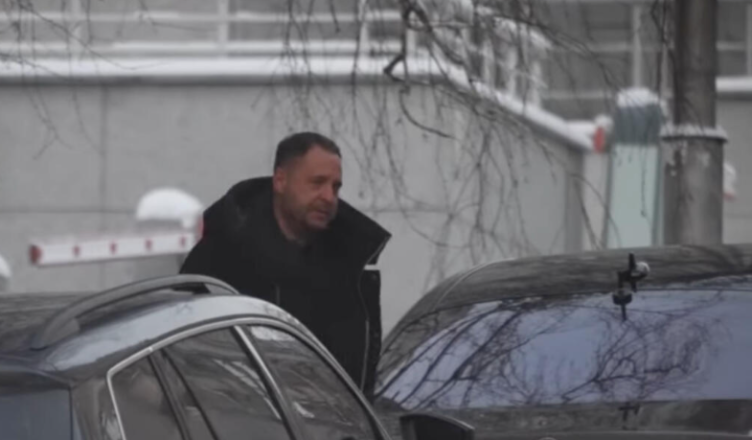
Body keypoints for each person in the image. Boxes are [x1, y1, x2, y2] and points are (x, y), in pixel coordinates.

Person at [180, 132, 391, 398]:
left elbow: (358, 374)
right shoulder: (221, 256)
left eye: (336, 187)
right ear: (281, 180)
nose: (329, 197)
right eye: (317, 183)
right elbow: (186, 356)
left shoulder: (351, 265)